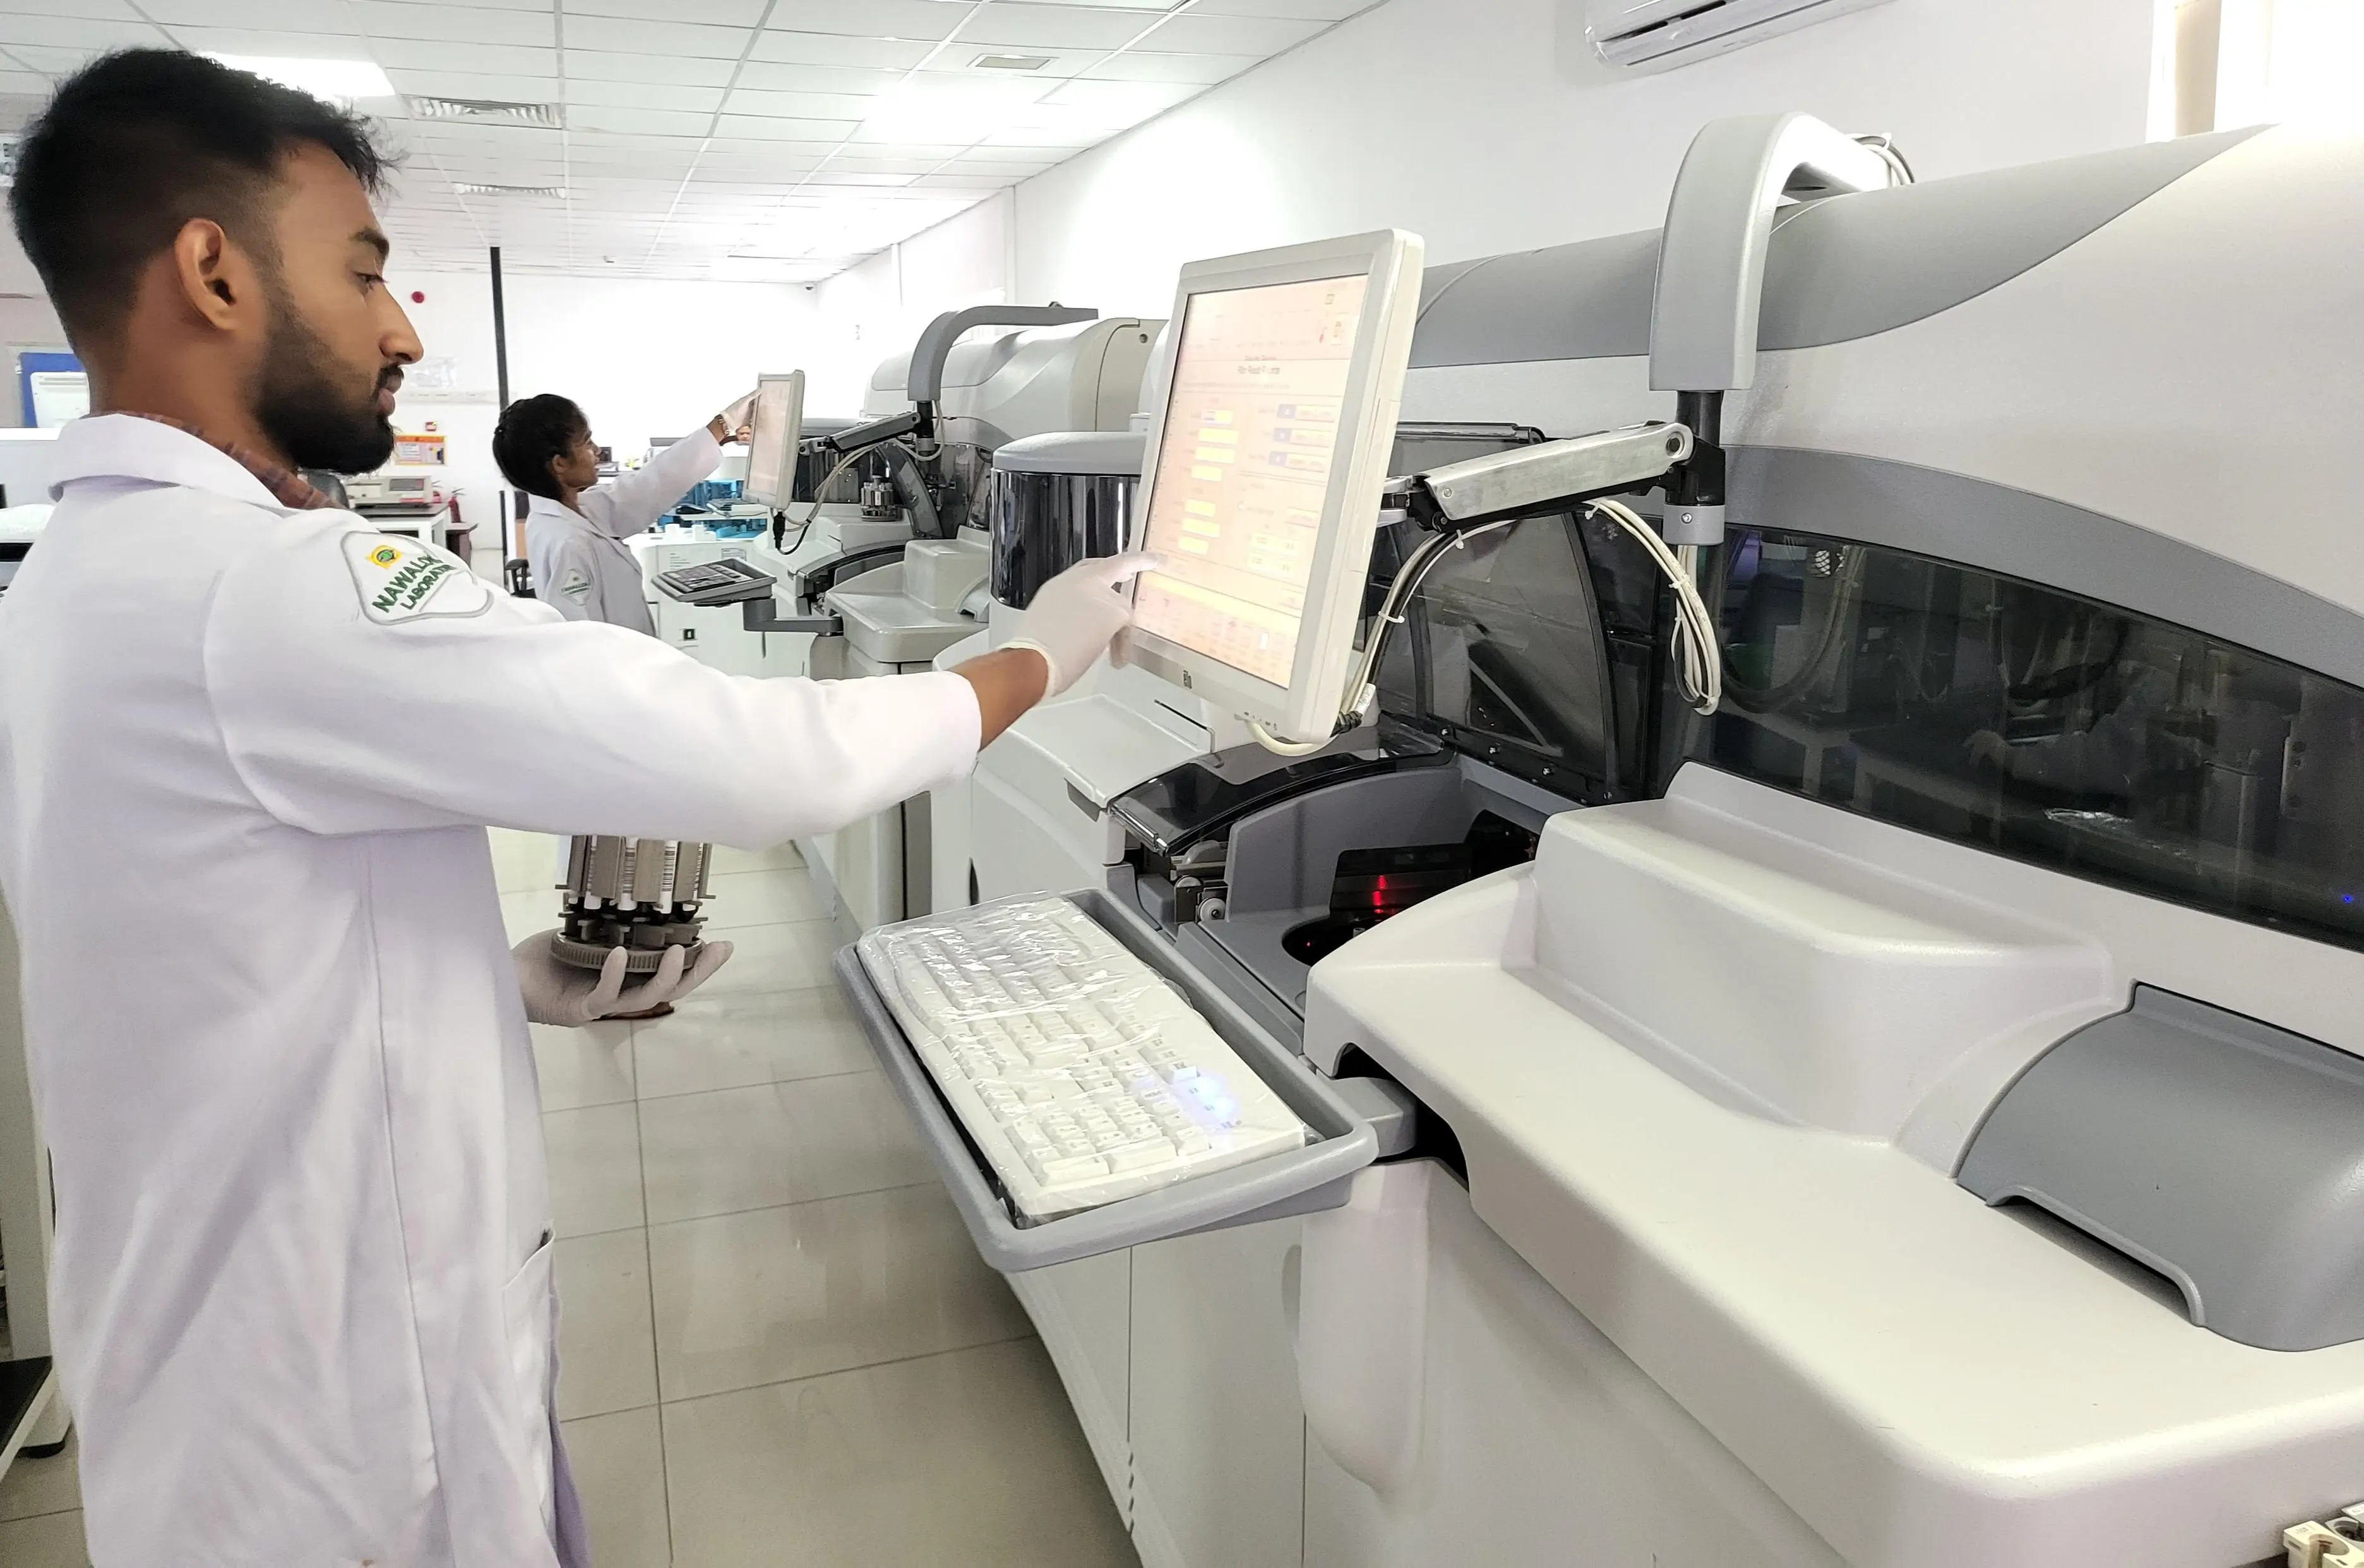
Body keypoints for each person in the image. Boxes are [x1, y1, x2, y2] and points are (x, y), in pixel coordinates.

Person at [0, 49, 1149, 1568]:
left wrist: (467, 980)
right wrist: (1040, 647)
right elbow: (771, 758)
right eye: (363, 273)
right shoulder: (269, 586)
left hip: (229, 1400)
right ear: (212, 271)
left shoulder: (80, 582)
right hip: (342, 1437)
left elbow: (206, 955)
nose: (404, 328)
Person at [495, 391, 745, 631]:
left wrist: (721, 427)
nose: (597, 451)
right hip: (619, 670)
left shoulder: (577, 510)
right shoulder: (568, 542)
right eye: (586, 443)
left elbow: (647, 487)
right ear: (559, 463)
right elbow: (586, 643)